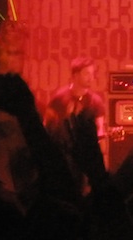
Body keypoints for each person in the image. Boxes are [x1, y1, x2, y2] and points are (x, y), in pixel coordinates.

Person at [43, 56, 107, 195]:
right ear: (75, 75)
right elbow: (47, 126)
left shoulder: (95, 102)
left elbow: (100, 131)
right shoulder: (59, 98)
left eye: (92, 73)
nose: (91, 77)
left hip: (86, 156)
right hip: (63, 155)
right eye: (86, 74)